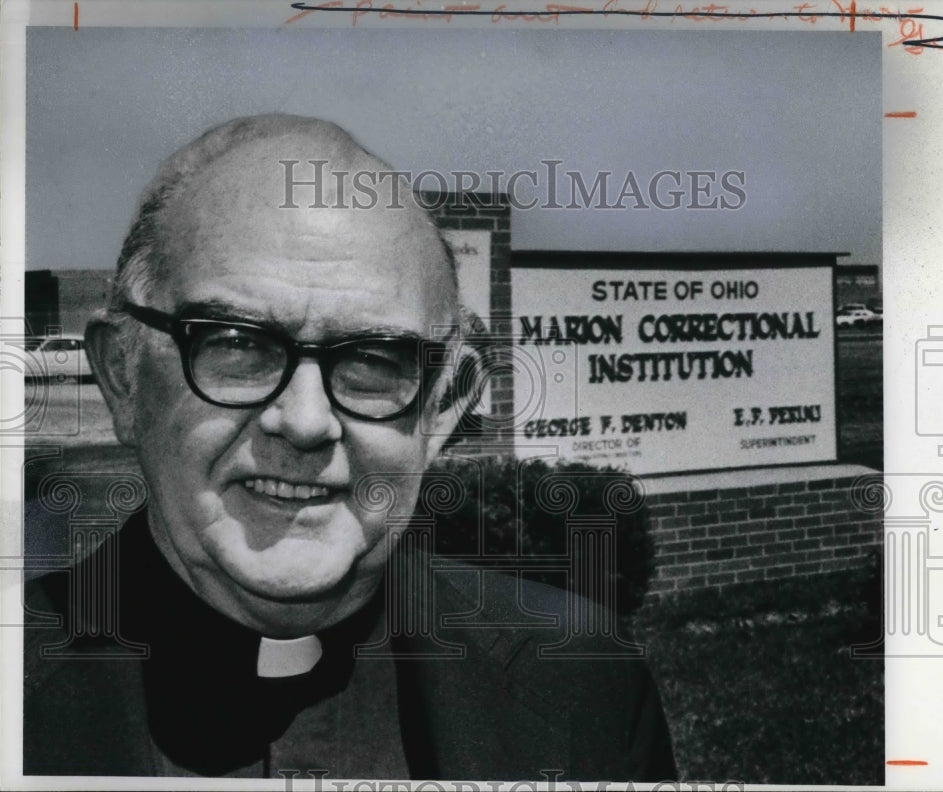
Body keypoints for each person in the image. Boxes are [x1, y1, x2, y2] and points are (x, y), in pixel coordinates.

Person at [23, 114, 676, 780]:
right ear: (121, 377)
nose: (306, 424)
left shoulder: (587, 682)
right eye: (237, 346)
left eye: (372, 359)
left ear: (444, 406)